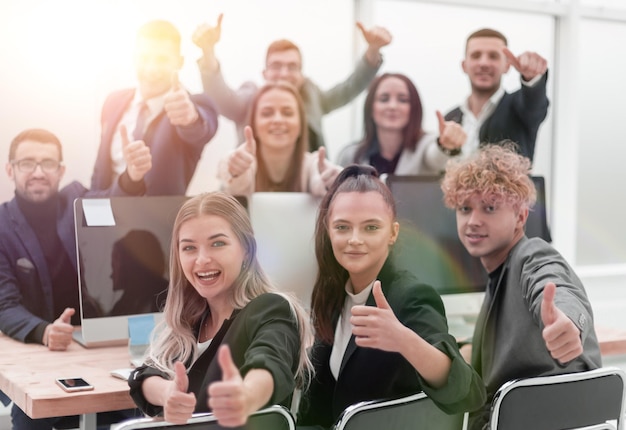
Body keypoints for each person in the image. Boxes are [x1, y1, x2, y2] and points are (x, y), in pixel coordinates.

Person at [297, 165, 486, 429]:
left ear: (393, 233)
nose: (354, 239)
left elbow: (467, 392)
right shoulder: (332, 296)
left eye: (371, 227)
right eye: (342, 227)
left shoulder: (411, 296)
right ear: (329, 231)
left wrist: (402, 338)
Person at [440, 143, 601, 430]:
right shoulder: (499, 272)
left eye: (489, 208)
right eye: (465, 208)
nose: (473, 221)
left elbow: (553, 284)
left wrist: (568, 323)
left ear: (521, 217)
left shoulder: (532, 255)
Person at [0, 127, 151, 429]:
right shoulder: (2, 224)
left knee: (129, 409)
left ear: (61, 170)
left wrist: (132, 177)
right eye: (28, 163)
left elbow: (111, 198)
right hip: (36, 349)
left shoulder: (76, 200)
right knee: (30, 419)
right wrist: (43, 331)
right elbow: (4, 304)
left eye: (48, 163)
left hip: (92, 344)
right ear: (10, 169)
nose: (39, 172)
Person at [128, 192, 313, 426]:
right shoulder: (193, 321)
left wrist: (245, 396)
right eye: (189, 248)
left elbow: (270, 364)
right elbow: (141, 376)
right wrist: (167, 393)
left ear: (246, 249)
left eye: (218, 243)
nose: (202, 259)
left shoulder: (270, 309)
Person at [193, 14, 391, 151]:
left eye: (292, 67)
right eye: (277, 66)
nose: (284, 74)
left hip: (307, 192)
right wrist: (208, 52)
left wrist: (372, 50)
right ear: (265, 73)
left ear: (301, 75)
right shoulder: (250, 100)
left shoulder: (314, 98)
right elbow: (221, 98)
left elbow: (349, 89)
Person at [91, 19, 219, 196]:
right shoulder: (114, 102)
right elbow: (100, 170)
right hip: (108, 216)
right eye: (144, 58)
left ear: (180, 62)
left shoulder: (192, 106)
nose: (151, 69)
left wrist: (190, 118)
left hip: (160, 222)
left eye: (162, 59)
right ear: (134, 58)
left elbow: (201, 129)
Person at [217, 81, 341, 196]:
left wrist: (329, 182)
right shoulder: (244, 163)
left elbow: (319, 181)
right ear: (254, 123)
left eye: (287, 113)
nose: (277, 120)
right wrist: (236, 170)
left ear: (301, 124)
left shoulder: (313, 165)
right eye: (267, 113)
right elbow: (235, 184)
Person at [444, 28, 549, 162]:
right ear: (464, 65)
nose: (484, 63)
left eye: (493, 56)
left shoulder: (519, 107)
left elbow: (535, 105)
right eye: (476, 55)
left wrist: (532, 78)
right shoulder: (451, 117)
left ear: (507, 66)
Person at [337, 73, 466, 175]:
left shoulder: (425, 145)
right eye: (384, 99)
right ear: (370, 108)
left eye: (402, 100)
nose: (392, 106)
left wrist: (446, 146)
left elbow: (436, 157)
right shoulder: (351, 155)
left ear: (413, 108)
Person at [109, 229, 168, 317]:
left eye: (114, 267)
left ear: (129, 265)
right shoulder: (124, 304)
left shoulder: (168, 299)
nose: (111, 275)